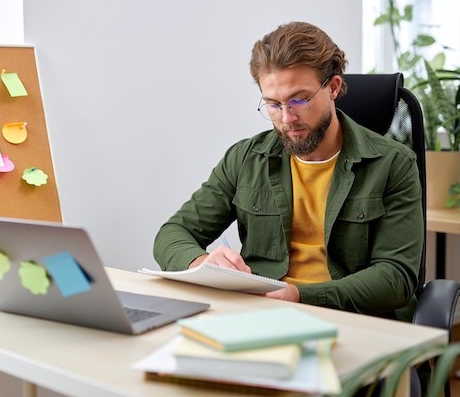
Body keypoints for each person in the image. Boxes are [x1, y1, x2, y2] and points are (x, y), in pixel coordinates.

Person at [153, 21, 423, 323]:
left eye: (299, 100)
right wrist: (202, 263)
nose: (286, 118)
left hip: (355, 322)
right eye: (273, 104)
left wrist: (300, 296)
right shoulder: (246, 158)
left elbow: (395, 277)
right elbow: (171, 235)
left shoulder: (393, 164)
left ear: (333, 87)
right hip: (260, 318)